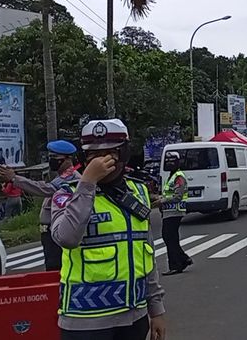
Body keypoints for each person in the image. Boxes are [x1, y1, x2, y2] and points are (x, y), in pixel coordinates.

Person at [51, 119, 165, 340]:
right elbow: (66, 238)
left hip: (134, 317)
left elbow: (147, 256)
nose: (101, 160)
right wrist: (87, 183)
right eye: (93, 154)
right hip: (85, 322)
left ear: (123, 155)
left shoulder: (138, 192)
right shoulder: (67, 194)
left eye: (110, 153)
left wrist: (156, 310)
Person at [0, 140, 81, 271]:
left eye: (55, 158)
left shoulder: (71, 177)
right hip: (50, 232)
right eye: (50, 157)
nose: (51, 161)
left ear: (68, 159)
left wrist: (15, 178)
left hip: (56, 231)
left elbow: (44, 189)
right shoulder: (60, 176)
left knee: (55, 268)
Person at [155, 151, 192, 276]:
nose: (169, 164)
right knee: (170, 238)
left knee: (169, 238)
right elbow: (168, 193)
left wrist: (162, 201)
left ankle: (176, 265)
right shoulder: (172, 176)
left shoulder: (178, 177)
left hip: (174, 211)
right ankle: (183, 259)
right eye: (168, 162)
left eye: (172, 162)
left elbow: (178, 196)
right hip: (168, 211)